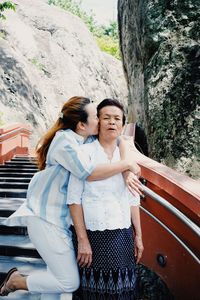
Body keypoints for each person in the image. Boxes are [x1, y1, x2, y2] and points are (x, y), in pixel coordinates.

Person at [0, 96, 142, 297]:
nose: (103, 121)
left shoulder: (82, 138)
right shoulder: (65, 142)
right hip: (45, 220)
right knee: (68, 282)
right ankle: (17, 281)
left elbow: (119, 138)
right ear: (82, 125)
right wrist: (127, 166)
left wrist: (126, 167)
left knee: (55, 278)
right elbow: (89, 173)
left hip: (59, 222)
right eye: (98, 117)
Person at [67, 99, 144, 299]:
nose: (112, 122)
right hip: (93, 235)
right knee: (93, 290)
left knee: (123, 289)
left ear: (122, 124)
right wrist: (82, 240)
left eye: (117, 118)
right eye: (106, 117)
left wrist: (139, 235)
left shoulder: (125, 157)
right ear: (97, 122)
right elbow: (74, 200)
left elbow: (133, 199)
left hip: (123, 234)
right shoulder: (84, 154)